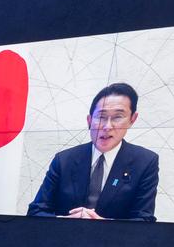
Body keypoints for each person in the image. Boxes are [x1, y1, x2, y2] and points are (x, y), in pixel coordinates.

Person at [26, 83, 158, 221]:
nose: (107, 126)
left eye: (117, 117)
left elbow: (144, 219)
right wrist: (65, 221)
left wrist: (103, 225)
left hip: (114, 236)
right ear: (89, 121)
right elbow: (36, 211)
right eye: (101, 117)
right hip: (66, 235)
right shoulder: (64, 160)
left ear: (132, 120)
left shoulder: (145, 162)